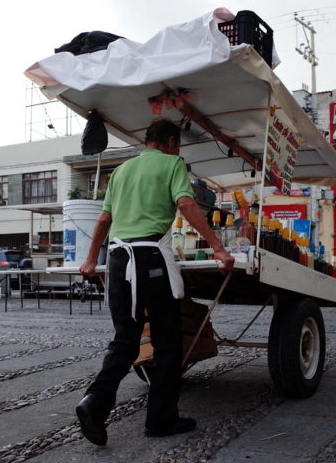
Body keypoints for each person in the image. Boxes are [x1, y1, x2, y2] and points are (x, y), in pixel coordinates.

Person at [76, 118, 234, 446]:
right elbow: (186, 203)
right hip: (149, 258)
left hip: (117, 260)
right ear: (171, 142)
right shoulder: (173, 162)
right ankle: (161, 419)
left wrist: (92, 259)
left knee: (125, 340)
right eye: (178, 145)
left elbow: (104, 219)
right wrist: (218, 248)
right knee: (167, 341)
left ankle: (94, 402)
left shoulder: (121, 171)